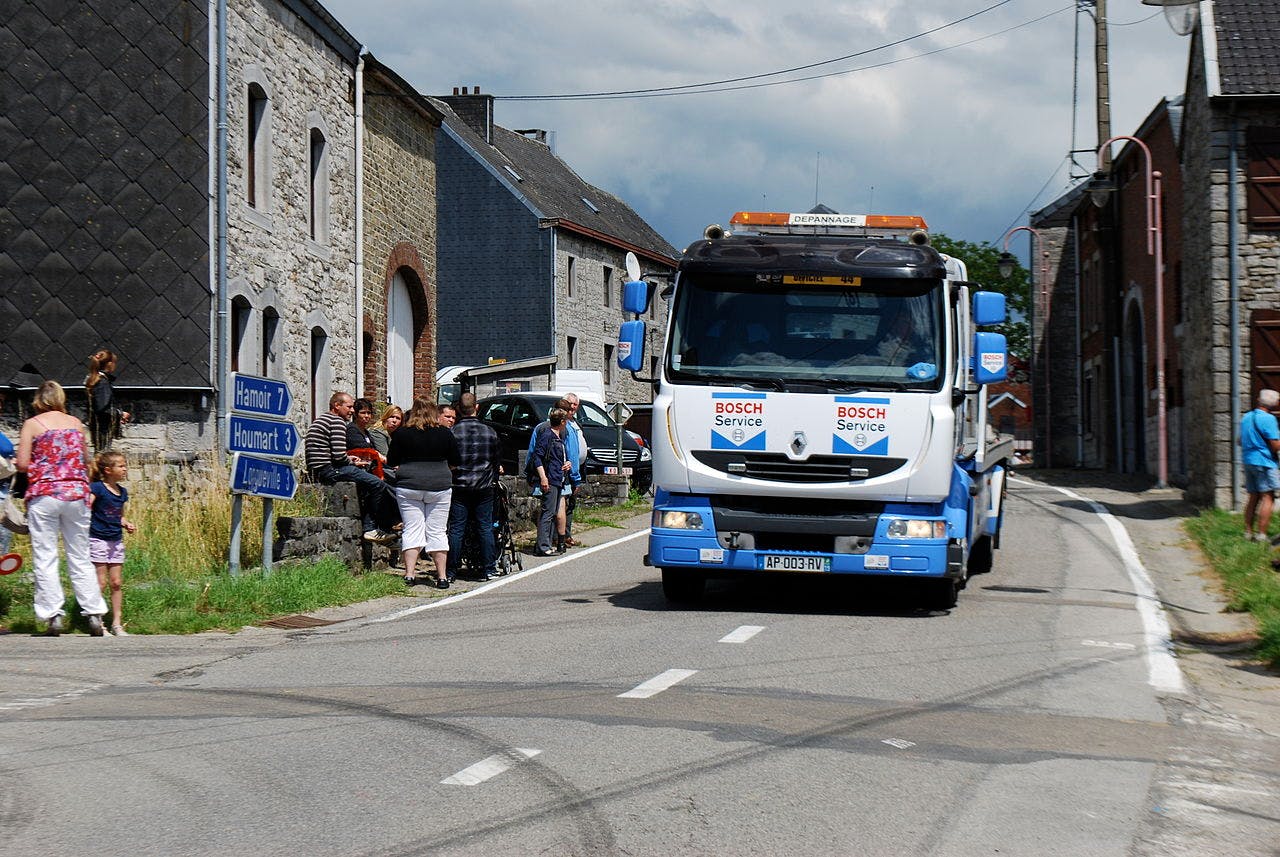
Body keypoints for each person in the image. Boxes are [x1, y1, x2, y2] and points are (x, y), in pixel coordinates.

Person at [15, 381, 109, 636]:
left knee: (45, 555)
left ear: (39, 400)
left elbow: (22, 464)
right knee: (80, 554)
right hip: (76, 494)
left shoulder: (32, 424)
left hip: (44, 494)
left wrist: (41, 464)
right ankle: (94, 614)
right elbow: (85, 459)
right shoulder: (75, 423)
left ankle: (53, 615)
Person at [304, 392, 398, 543]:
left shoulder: (323, 419)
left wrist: (350, 459)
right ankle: (371, 528)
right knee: (377, 483)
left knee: (368, 480)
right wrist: (352, 462)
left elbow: (337, 455)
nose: (352, 410)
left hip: (321, 468)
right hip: (328, 470)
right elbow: (339, 457)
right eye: (349, 407)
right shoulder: (337, 422)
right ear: (337, 405)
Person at [388, 398, 460, 588]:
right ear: (434, 411)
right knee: (437, 530)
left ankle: (409, 574)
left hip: (409, 485)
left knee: (412, 529)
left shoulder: (402, 433)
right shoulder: (444, 433)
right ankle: (442, 577)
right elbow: (455, 461)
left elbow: (392, 460)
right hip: (439, 486)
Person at [446, 393, 503, 580]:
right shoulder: (490, 432)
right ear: (477, 407)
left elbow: (448, 460)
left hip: (459, 485)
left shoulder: (452, 433)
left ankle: (451, 571)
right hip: (484, 485)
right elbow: (496, 461)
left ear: (458, 409)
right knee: (485, 527)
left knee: (456, 528)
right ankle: (489, 568)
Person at [90, 450, 137, 636]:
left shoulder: (122, 492)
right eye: (121, 466)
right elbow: (86, 507)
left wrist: (126, 523)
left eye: (125, 466)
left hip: (115, 540)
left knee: (116, 582)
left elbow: (119, 515)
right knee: (100, 583)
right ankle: (98, 623)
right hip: (98, 539)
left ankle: (117, 623)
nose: (125, 469)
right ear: (108, 470)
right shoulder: (97, 488)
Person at [526, 397, 582, 550]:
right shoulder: (565, 429)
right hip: (554, 476)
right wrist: (575, 477)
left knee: (547, 510)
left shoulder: (540, 427)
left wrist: (530, 474)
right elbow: (571, 454)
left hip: (548, 475)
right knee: (555, 509)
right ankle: (555, 543)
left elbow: (531, 453)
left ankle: (547, 542)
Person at [1240, 388, 1280, 542]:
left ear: (1259, 400)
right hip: (1264, 461)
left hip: (1248, 460)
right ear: (1275, 404)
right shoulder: (1269, 419)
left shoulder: (1246, 417)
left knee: (1253, 497)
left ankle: (1248, 532)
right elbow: (1275, 446)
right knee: (1268, 496)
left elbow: (1239, 440)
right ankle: (1262, 535)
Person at [531, 407, 570, 557]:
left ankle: (546, 544)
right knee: (547, 512)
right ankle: (543, 546)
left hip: (558, 478)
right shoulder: (547, 435)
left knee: (552, 512)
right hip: (550, 478)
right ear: (562, 422)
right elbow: (537, 457)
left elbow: (556, 457)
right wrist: (543, 477)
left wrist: (567, 464)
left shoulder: (558, 437)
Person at [84, 349, 131, 450]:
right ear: (109, 364)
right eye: (114, 362)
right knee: (103, 453)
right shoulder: (102, 383)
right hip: (103, 428)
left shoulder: (94, 379)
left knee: (100, 452)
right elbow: (102, 408)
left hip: (97, 426)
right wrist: (120, 414)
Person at [346, 398, 382, 467]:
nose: (366, 416)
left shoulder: (366, 432)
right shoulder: (351, 430)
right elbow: (365, 449)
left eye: (369, 413)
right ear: (355, 414)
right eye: (363, 413)